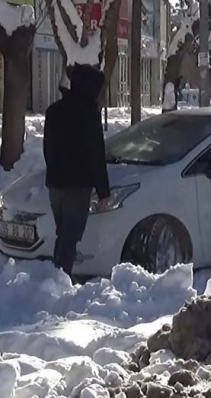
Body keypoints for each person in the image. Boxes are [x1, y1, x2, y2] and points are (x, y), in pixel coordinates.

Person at [43, 64, 110, 276]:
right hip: (78, 186)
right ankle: (60, 279)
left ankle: (56, 276)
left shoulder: (53, 111)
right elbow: (96, 155)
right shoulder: (89, 115)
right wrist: (103, 192)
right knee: (70, 237)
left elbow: (47, 148)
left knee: (63, 233)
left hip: (55, 184)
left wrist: (54, 170)